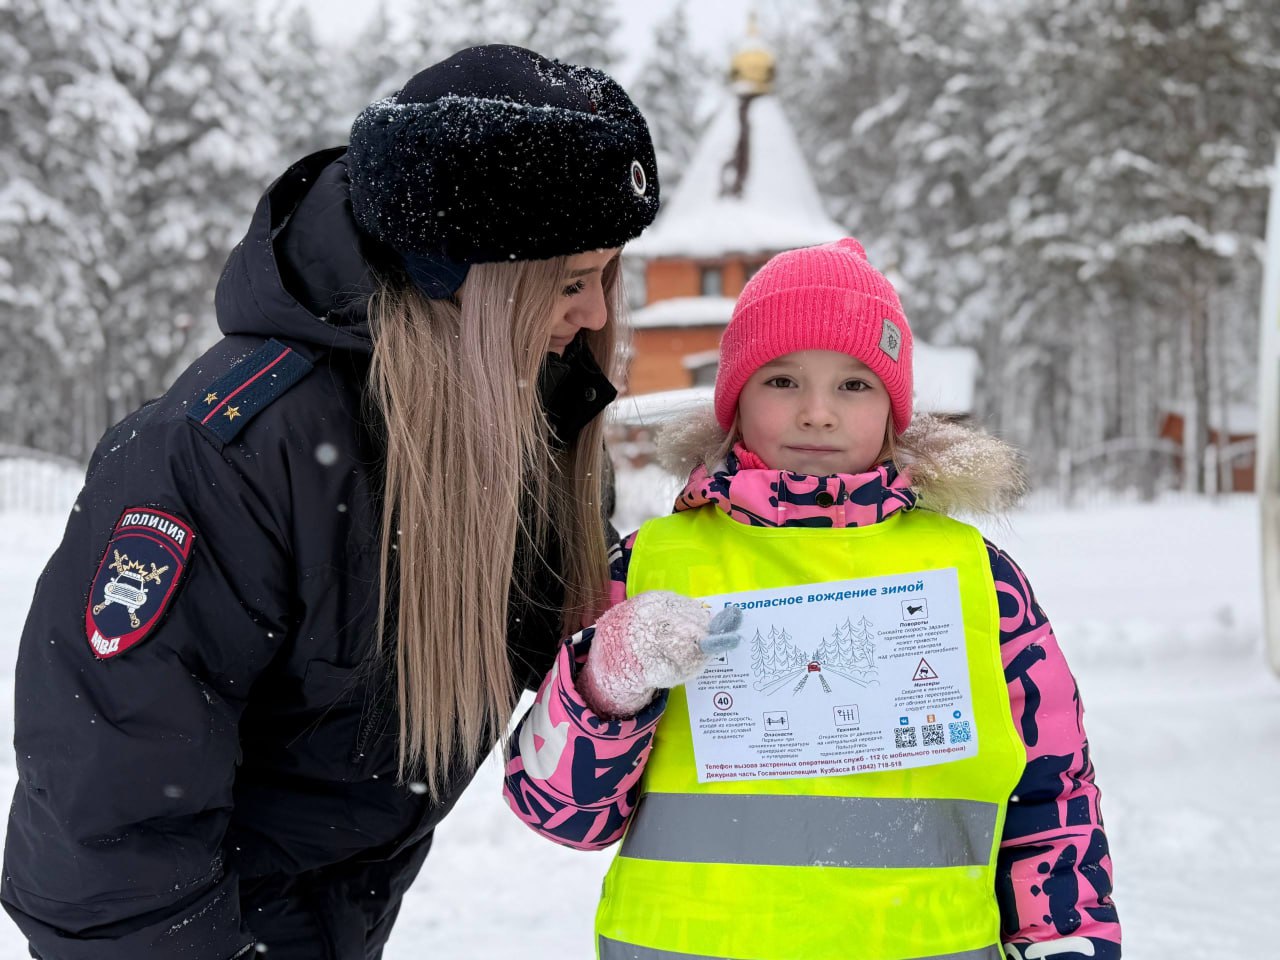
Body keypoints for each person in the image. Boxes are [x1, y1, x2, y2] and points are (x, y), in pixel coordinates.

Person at [1, 44, 659, 960]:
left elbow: (571, 707)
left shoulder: (528, 423)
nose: (594, 314)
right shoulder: (227, 452)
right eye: (568, 280)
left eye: (607, 276)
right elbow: (105, 826)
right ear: (460, 276)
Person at [504, 238, 1122, 960]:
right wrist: (606, 685)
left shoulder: (976, 579)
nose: (818, 414)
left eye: (855, 385)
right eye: (782, 381)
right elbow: (557, 814)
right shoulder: (650, 569)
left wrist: (1066, 942)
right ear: (734, 400)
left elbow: (1055, 797)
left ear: (896, 410)